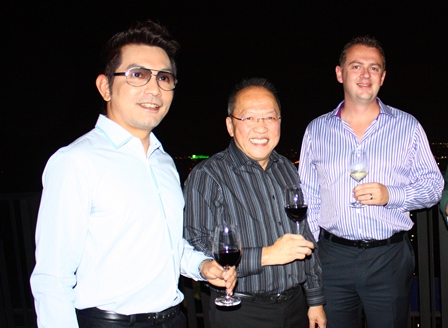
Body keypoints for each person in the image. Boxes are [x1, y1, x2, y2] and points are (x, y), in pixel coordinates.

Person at [30, 20, 236, 328]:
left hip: (173, 319)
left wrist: (202, 265)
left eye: (164, 77)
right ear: (105, 87)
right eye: (137, 74)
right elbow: (52, 278)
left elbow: (166, 244)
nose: (154, 88)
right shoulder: (76, 161)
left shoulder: (163, 162)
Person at [298, 35, 444, 328]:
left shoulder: (408, 127)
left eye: (374, 68)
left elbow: (433, 186)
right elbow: (309, 198)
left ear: (383, 76)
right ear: (340, 73)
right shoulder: (317, 130)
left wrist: (392, 195)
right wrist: (310, 260)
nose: (365, 74)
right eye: (356, 66)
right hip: (332, 258)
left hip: (388, 259)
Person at [184, 78, 326, 328]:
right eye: (249, 118)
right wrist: (267, 255)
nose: (261, 128)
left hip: (295, 306)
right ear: (230, 125)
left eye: (270, 118)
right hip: (241, 311)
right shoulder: (208, 175)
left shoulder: (287, 169)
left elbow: (304, 235)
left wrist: (315, 300)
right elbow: (198, 247)